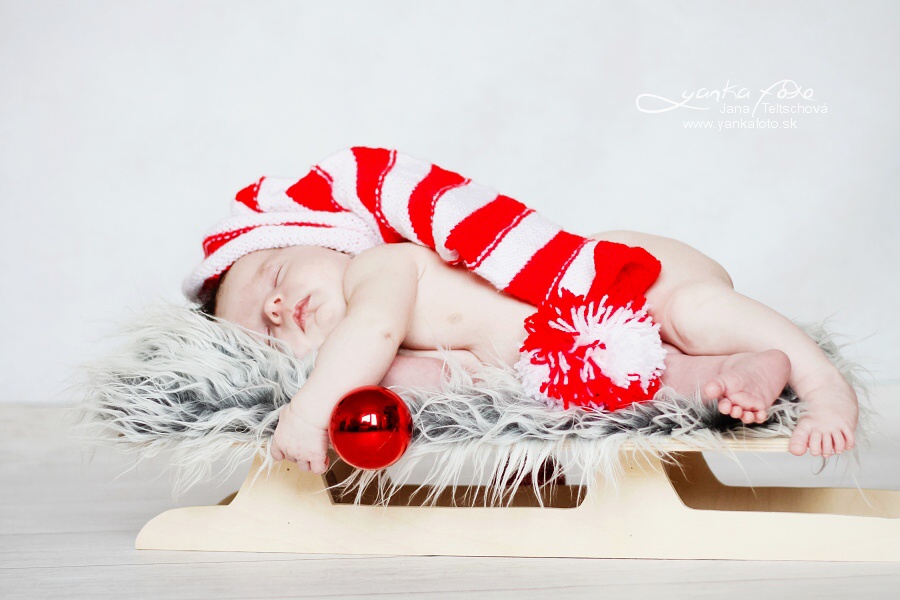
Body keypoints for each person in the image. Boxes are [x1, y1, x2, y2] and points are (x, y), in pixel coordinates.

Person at [184, 147, 858, 473]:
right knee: (669, 379)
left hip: (617, 277)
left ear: (324, 237)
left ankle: (822, 383)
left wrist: (310, 411)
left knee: (692, 311)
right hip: (575, 354)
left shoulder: (378, 267)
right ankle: (744, 367)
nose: (278, 306)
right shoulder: (387, 359)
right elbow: (450, 380)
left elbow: (372, 328)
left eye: (274, 274)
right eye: (263, 326)